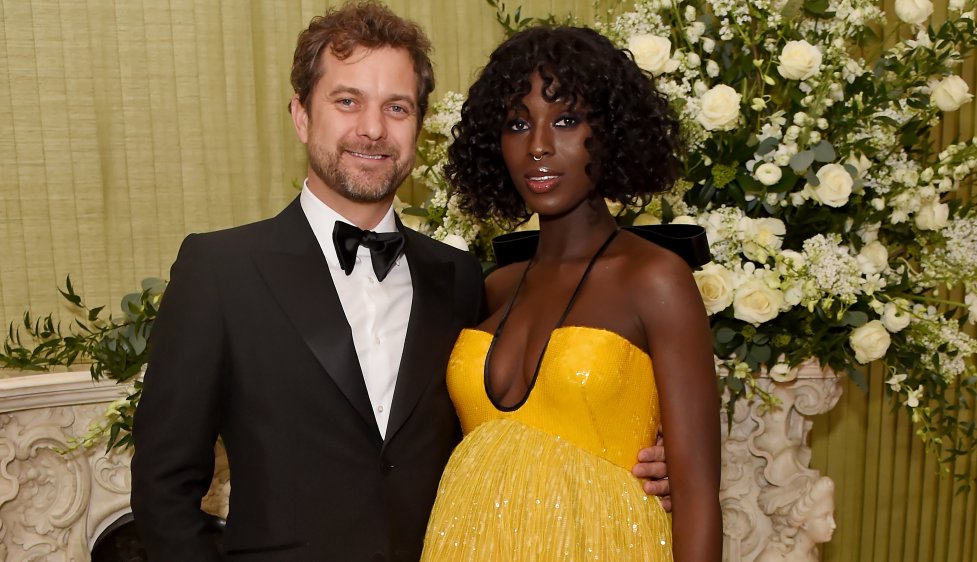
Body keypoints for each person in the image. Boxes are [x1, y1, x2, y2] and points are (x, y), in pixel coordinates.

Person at [130, 4, 671, 561]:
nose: (372, 128)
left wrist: (644, 455)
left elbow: (507, 432)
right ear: (300, 115)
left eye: (397, 107)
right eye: (347, 101)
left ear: (418, 126)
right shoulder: (220, 270)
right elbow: (162, 488)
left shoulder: (459, 278)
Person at [421, 26, 722, 561]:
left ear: (609, 131)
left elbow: (697, 496)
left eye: (565, 120)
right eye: (517, 124)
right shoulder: (494, 287)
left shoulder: (655, 278)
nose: (538, 146)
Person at [757, 477, 836, 562]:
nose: (833, 525)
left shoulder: (813, 554)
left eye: (832, 515)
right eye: (824, 516)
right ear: (803, 522)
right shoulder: (772, 559)